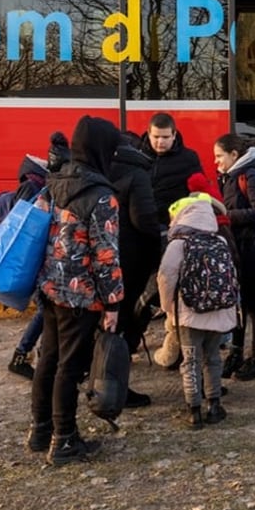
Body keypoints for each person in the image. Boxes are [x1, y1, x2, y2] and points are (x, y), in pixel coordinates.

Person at [27, 115, 124, 466]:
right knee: (69, 367)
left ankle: (40, 431)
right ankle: (64, 439)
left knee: (48, 361)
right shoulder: (101, 196)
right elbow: (106, 255)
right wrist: (114, 302)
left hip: (51, 289)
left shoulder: (55, 182)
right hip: (81, 295)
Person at [157, 194, 235, 428]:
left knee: (190, 361)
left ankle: (194, 410)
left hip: (189, 315)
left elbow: (165, 277)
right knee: (212, 359)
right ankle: (214, 405)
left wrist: (167, 307)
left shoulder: (178, 244)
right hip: (218, 313)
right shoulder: (220, 242)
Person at [107, 131, 167, 408]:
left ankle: (98, 377)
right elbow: (144, 221)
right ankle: (117, 388)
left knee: (107, 324)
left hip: (106, 260)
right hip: (132, 262)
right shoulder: (137, 174)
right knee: (128, 323)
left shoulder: (103, 168)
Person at [8, 131, 71, 380]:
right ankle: (23, 355)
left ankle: (29, 354)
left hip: (43, 258)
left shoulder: (41, 183)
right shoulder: (39, 187)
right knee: (45, 310)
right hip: (43, 259)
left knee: (46, 310)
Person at [215, 133, 255, 381]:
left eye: (219, 156)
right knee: (239, 305)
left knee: (254, 306)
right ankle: (237, 353)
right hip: (238, 248)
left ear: (234, 155)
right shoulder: (232, 176)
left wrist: (227, 216)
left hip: (251, 250)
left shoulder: (251, 176)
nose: (216, 161)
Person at [140, 112, 204, 227]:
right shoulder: (136, 155)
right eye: (156, 137)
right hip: (141, 224)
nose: (160, 142)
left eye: (165, 137)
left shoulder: (189, 159)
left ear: (174, 135)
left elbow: (199, 193)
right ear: (149, 134)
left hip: (174, 225)